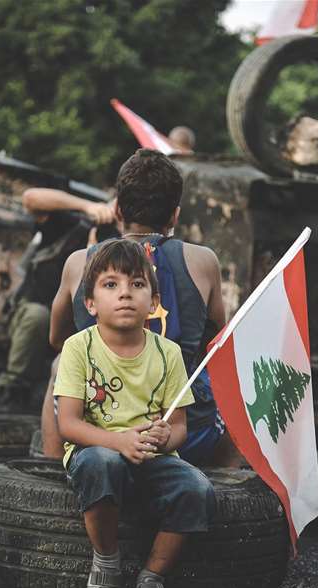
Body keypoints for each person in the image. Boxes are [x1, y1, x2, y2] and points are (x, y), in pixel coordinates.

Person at [44, 149, 244, 467]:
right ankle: (221, 480)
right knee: (231, 380)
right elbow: (218, 342)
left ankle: (56, 472)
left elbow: (56, 338)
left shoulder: (80, 263)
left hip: (100, 432)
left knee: (61, 367)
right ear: (175, 216)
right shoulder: (203, 261)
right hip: (182, 433)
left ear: (119, 210)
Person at [54, 238, 215, 588]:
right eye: (111, 285)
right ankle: (107, 564)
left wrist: (164, 438)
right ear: (90, 304)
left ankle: (152, 578)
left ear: (154, 302)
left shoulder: (168, 353)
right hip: (97, 449)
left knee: (198, 490)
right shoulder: (80, 347)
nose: (125, 294)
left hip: (152, 457)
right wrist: (118, 441)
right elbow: (69, 424)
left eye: (137, 285)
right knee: (102, 463)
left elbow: (179, 428)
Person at [0, 187, 115, 406]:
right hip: (40, 313)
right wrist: (88, 207)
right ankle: (13, 389)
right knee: (37, 316)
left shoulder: (124, 244)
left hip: (85, 322)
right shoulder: (71, 226)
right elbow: (30, 198)